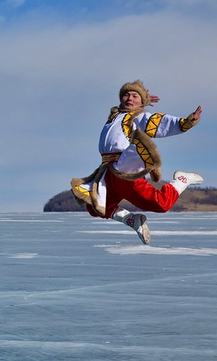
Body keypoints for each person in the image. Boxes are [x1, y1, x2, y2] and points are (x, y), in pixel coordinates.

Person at [71, 80, 203, 244]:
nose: (129, 98)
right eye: (126, 95)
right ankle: (132, 220)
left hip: (124, 169)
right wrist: (142, 96)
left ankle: (182, 179)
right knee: (95, 208)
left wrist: (186, 122)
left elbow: (159, 123)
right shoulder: (116, 116)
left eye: (134, 96)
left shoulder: (138, 117)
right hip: (107, 171)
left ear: (141, 103)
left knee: (161, 204)